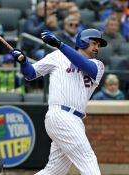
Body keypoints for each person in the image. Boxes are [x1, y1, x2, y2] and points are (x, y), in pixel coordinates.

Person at [10, 28, 107, 174]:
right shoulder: (57, 56)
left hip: (75, 120)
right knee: (88, 158)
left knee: (54, 171)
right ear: (82, 42)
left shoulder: (98, 65)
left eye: (98, 45)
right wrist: (23, 62)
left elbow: (84, 65)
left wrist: (60, 45)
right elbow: (31, 73)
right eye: (94, 43)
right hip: (61, 115)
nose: (97, 48)